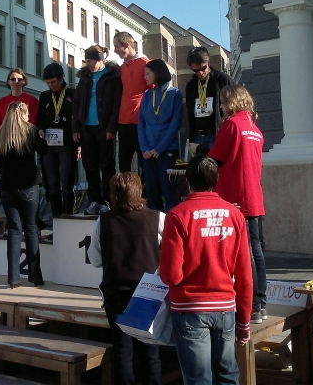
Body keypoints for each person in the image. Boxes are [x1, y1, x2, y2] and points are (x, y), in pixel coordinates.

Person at [159, 155, 252, 385]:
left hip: (190, 308)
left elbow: (171, 276)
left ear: (188, 180)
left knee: (198, 379)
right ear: (215, 179)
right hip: (225, 307)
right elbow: (245, 274)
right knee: (228, 376)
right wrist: (244, 322)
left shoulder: (177, 215)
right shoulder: (235, 215)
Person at [191, 84, 267, 324]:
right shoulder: (254, 128)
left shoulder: (232, 125)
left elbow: (215, 159)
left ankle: (251, 306)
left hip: (234, 196)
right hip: (253, 194)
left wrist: (198, 149)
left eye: (223, 103)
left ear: (231, 102)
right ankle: (261, 303)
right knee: (256, 250)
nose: (222, 108)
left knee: (245, 253)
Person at [88, 173, 164, 385]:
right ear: (139, 191)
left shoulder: (104, 221)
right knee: (150, 351)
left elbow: (95, 260)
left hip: (116, 292)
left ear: (113, 194)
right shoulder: (158, 218)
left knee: (123, 351)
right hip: (148, 293)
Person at [0, 101, 48, 287]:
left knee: (14, 230)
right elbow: (44, 149)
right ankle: (35, 277)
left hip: (7, 187)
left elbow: (0, 166)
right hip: (28, 185)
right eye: (27, 114)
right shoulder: (30, 131)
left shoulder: (0, 136)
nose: (28, 117)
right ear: (22, 114)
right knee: (31, 228)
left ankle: (13, 278)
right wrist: (41, 136)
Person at [72, 45, 122, 214]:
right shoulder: (85, 77)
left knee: (107, 166)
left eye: (90, 61)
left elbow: (116, 104)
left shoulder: (112, 76)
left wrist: (111, 128)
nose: (88, 64)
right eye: (86, 61)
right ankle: (94, 200)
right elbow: (77, 103)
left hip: (104, 128)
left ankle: (108, 201)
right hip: (87, 128)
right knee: (89, 165)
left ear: (100, 60)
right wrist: (76, 128)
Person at [138, 59, 183, 211]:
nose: (145, 77)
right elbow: (141, 124)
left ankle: (171, 223)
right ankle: (155, 224)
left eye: (147, 74)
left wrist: (159, 148)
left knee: (170, 191)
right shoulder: (147, 95)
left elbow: (175, 125)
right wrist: (144, 148)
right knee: (152, 192)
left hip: (167, 151)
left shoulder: (175, 94)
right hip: (148, 153)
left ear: (157, 73)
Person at [37, 62, 77, 217]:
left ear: (62, 78)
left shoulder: (72, 94)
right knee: (52, 182)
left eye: (53, 82)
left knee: (66, 181)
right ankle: (56, 217)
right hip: (49, 145)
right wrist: (40, 128)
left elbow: (77, 118)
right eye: (48, 83)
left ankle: (68, 215)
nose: (51, 85)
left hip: (67, 144)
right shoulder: (45, 96)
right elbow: (40, 117)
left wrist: (79, 143)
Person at [113, 32, 151, 176]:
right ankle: (126, 190)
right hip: (123, 121)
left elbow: (153, 92)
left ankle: (145, 189)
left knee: (144, 161)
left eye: (116, 46)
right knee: (123, 163)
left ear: (126, 45)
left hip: (139, 121)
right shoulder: (123, 67)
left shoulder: (145, 63)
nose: (115, 50)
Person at [184, 47, 233, 152]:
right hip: (198, 135)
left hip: (217, 134)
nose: (200, 73)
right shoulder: (190, 85)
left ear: (208, 62)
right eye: (195, 70)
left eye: (203, 68)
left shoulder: (223, 80)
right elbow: (190, 113)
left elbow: (234, 106)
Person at [0, 68, 39, 135]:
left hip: (26, 138)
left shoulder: (32, 101)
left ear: (24, 81)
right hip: (6, 138)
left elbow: (34, 123)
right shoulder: (0, 103)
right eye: (13, 79)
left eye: (20, 79)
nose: (16, 82)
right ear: (9, 82)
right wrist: (2, 137)